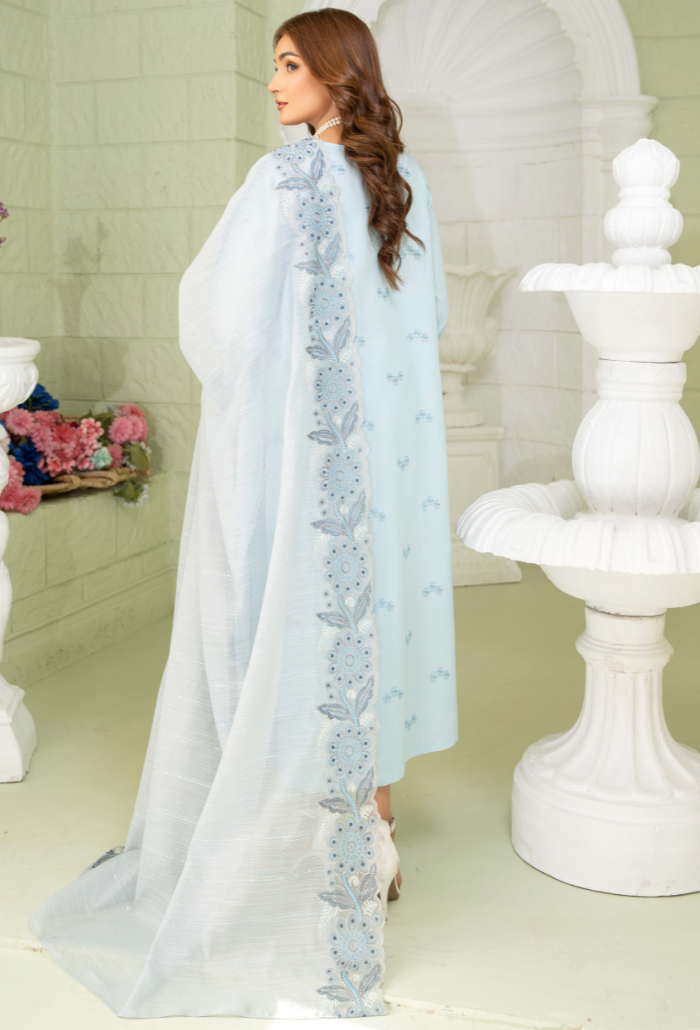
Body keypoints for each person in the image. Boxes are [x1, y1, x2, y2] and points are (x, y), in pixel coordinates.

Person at [30, 8, 457, 1019]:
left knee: (298, 623)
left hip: (310, 459)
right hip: (395, 458)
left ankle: (315, 845)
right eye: (273, 65)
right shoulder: (406, 183)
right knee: (374, 618)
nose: (273, 84)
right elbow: (431, 317)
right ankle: (376, 831)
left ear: (337, 74)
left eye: (289, 65)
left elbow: (216, 320)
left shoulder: (285, 179)